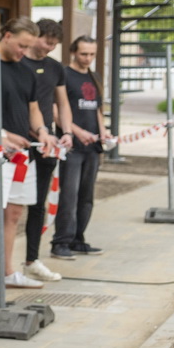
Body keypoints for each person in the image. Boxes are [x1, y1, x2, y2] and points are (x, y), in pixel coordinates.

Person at [0, 17, 47, 290]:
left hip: (22, 153)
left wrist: (42, 131)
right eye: (21, 45)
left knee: (15, 212)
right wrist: (1, 135)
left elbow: (33, 108)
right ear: (6, 36)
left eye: (28, 47)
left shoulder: (26, 71)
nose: (23, 52)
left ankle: (6, 271)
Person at [52, 34, 107, 257]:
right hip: (72, 146)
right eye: (83, 54)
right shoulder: (64, 74)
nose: (87, 58)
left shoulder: (95, 77)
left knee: (86, 196)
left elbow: (97, 109)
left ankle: (78, 238)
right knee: (69, 194)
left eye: (92, 54)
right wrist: (76, 132)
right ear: (74, 51)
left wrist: (103, 132)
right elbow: (57, 110)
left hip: (92, 146)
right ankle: (61, 242)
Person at [21, 20, 66, 282]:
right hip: (19, 142)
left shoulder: (54, 68)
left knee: (38, 204)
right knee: (7, 207)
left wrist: (65, 132)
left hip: (45, 142)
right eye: (47, 42)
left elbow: (61, 103)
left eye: (54, 44)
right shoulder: (18, 64)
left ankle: (32, 259)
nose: (49, 48)